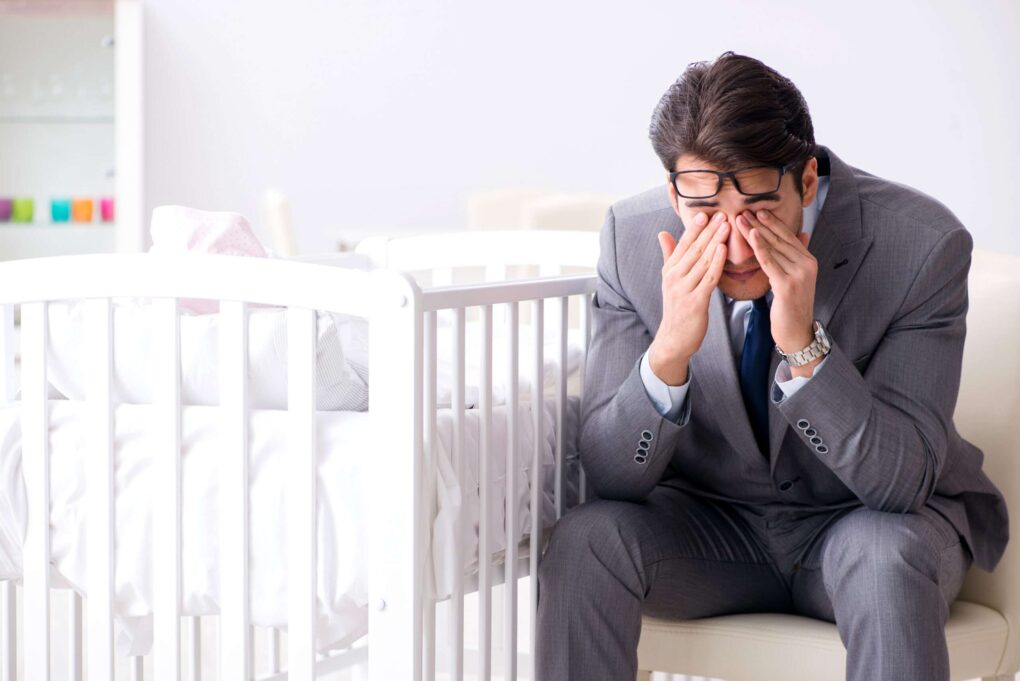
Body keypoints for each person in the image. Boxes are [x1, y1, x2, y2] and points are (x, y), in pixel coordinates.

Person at [535, 52, 1008, 681]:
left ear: (807, 182)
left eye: (758, 208)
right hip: (710, 529)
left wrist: (803, 344)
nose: (733, 242)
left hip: (866, 523)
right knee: (586, 539)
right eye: (703, 209)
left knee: (883, 555)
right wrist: (669, 351)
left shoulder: (920, 245)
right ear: (674, 188)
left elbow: (899, 485)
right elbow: (613, 475)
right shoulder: (630, 238)